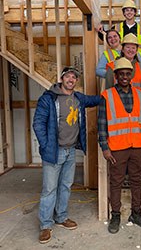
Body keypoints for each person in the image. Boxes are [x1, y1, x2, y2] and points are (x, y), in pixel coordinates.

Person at [33, 67, 100, 244]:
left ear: (76, 81)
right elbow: (38, 123)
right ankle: (46, 225)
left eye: (74, 77)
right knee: (49, 189)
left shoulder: (78, 98)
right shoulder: (49, 98)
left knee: (65, 186)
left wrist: (113, 93)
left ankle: (61, 217)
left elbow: (95, 100)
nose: (71, 79)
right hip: (54, 152)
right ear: (61, 79)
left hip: (70, 151)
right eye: (68, 76)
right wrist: (46, 145)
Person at [98, 57, 141, 234]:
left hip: (137, 146)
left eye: (127, 74)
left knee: (137, 181)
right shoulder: (107, 96)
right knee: (116, 182)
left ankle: (136, 213)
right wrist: (105, 147)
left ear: (132, 75)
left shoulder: (140, 94)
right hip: (117, 148)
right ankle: (115, 214)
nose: (124, 76)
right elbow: (101, 124)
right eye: (121, 73)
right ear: (115, 75)